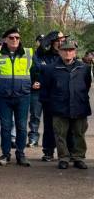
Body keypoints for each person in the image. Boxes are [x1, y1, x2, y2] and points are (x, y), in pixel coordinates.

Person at [0, 27, 35, 167]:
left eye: (17, 37)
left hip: (23, 96)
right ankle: (5, 154)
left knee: (22, 127)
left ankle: (21, 154)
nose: (15, 40)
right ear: (5, 39)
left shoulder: (28, 53)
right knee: (5, 127)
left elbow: (37, 71)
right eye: (11, 37)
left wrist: (34, 83)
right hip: (4, 97)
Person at [40, 40, 91, 169]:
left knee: (79, 133)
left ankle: (78, 157)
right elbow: (46, 88)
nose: (68, 53)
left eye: (70, 50)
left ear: (75, 52)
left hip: (79, 105)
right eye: (64, 50)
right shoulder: (50, 69)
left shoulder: (84, 68)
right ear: (59, 52)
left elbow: (86, 85)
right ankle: (63, 158)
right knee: (60, 134)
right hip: (59, 106)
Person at [36, 31, 67, 161]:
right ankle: (48, 151)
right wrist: (46, 39)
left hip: (63, 97)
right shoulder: (44, 56)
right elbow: (38, 67)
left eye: (62, 40)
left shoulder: (66, 55)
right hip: (48, 96)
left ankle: (65, 153)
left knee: (64, 126)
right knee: (49, 125)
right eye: (57, 40)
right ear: (52, 42)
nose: (60, 43)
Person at [27, 34, 46, 147]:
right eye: (40, 41)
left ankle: (50, 143)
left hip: (48, 91)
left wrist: (42, 83)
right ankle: (33, 138)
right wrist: (31, 84)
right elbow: (25, 71)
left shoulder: (52, 56)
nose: (42, 43)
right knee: (34, 116)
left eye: (44, 41)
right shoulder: (31, 56)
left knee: (51, 118)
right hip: (35, 91)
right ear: (36, 42)